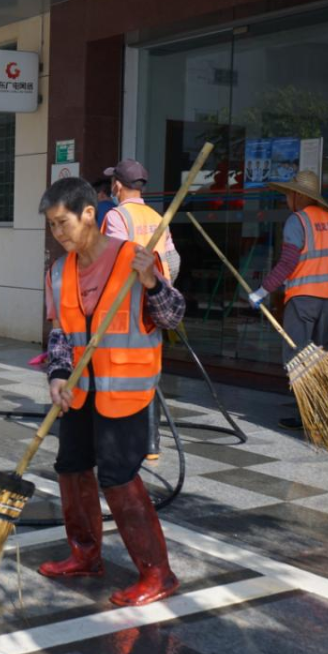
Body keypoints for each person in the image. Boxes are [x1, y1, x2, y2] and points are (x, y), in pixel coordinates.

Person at [39, 177, 184, 607]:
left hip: (125, 389)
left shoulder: (134, 258)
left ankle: (158, 574)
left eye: (63, 222)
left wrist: (152, 282)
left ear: (89, 214)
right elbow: (60, 333)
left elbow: (173, 317)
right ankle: (85, 555)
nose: (58, 233)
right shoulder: (58, 272)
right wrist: (57, 374)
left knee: (118, 475)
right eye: (51, 225)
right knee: (71, 466)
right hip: (79, 390)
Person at [248, 170, 328, 430]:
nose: (286, 199)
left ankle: (308, 414)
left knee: (298, 357)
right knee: (316, 356)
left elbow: (288, 263)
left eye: (288, 194)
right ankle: (320, 411)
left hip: (304, 299)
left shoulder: (298, 221)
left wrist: (262, 291)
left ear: (299, 195)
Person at [101, 159, 180, 461]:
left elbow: (115, 261)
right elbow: (172, 261)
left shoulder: (117, 216)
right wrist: (163, 289)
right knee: (149, 366)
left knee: (121, 367)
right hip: (156, 302)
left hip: (128, 303)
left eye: (113, 182)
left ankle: (121, 435)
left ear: (118, 185)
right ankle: (151, 444)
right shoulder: (157, 216)